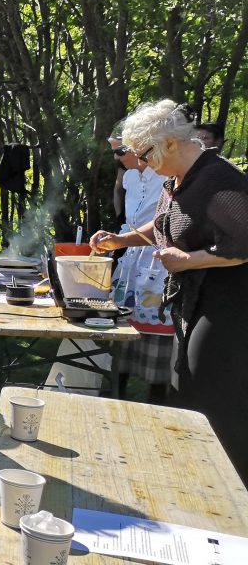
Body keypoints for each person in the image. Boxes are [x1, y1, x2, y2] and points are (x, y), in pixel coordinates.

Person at [89, 99, 248, 482]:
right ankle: (192, 482)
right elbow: (164, 224)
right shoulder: (179, 180)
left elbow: (242, 245)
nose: (142, 163)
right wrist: (122, 239)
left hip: (228, 307)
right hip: (193, 303)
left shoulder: (218, 180)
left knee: (214, 400)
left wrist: (189, 260)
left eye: (145, 154)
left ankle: (231, 494)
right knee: (186, 390)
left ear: (171, 143)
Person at [106, 135, 173, 403]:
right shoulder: (130, 178)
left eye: (121, 150)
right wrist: (117, 240)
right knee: (123, 327)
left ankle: (158, 403)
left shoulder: (166, 176)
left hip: (158, 260)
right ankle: (115, 394)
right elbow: (128, 219)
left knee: (157, 330)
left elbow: (164, 223)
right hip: (132, 260)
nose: (117, 157)